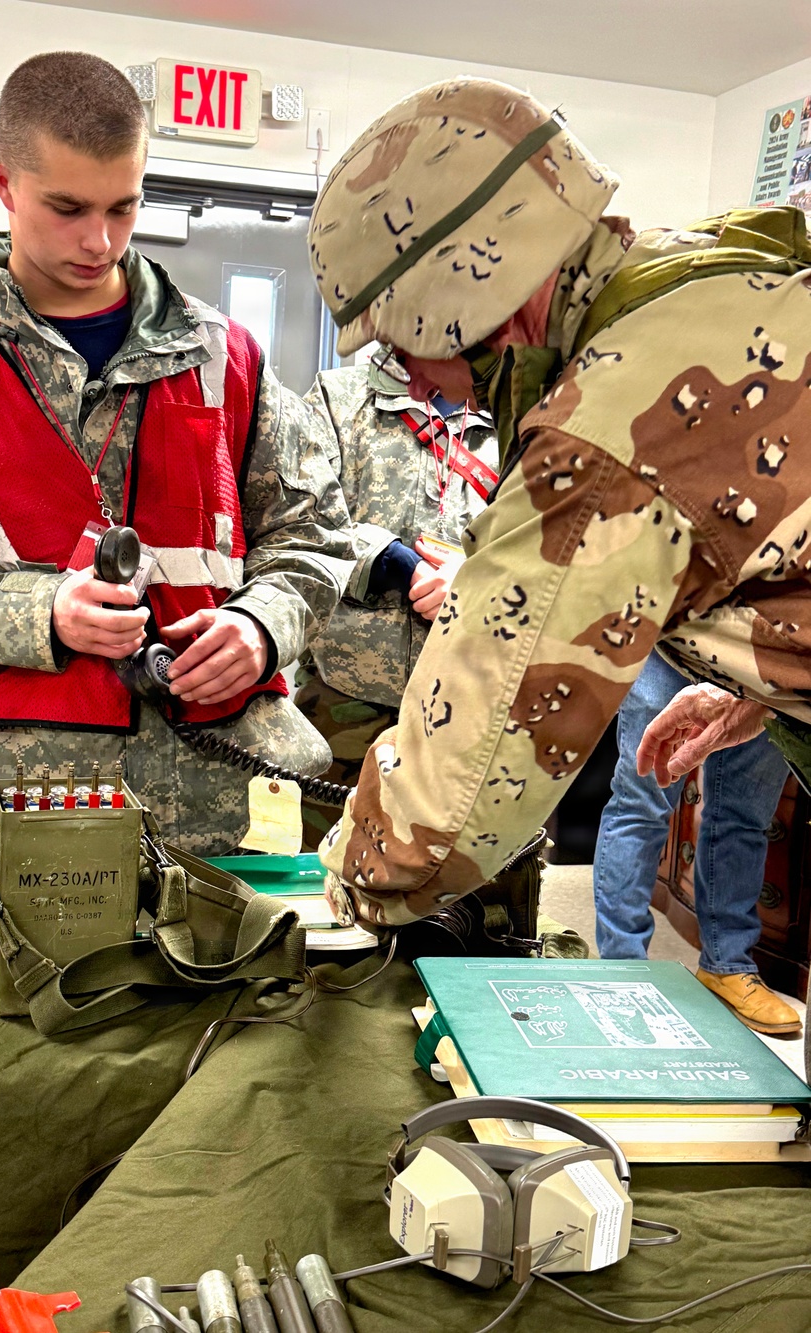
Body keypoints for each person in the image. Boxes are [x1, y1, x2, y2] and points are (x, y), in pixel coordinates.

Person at [303, 76, 811, 995]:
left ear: (466, 295)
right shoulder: (714, 274)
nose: (414, 376)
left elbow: (449, 808)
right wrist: (765, 673)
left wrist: (340, 875)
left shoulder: (601, 430)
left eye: (402, 340)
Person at [0, 52, 351, 857]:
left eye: (124, 207)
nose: (98, 241)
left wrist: (261, 625)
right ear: (4, 185)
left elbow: (314, 535)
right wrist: (40, 612)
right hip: (25, 818)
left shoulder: (224, 354)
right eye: (66, 208)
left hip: (225, 817)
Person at [296, 360, 496, 849]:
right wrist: (396, 562)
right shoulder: (337, 397)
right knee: (328, 869)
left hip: (467, 701)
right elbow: (302, 517)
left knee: (448, 879)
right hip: (344, 699)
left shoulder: (511, 416)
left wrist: (471, 580)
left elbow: (546, 535)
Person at [595, 650, 796, 1035]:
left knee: (747, 816)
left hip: (767, 652)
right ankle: (622, 967)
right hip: (673, 636)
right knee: (642, 801)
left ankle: (728, 965)